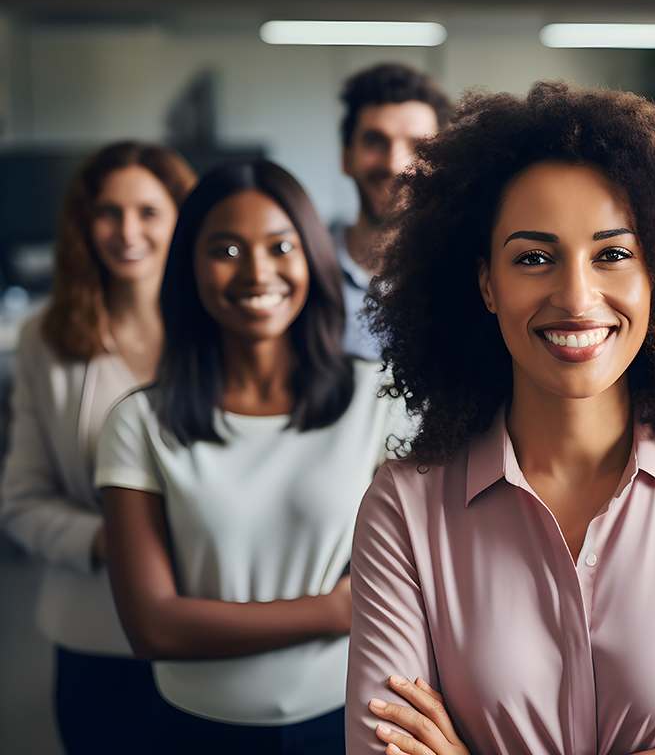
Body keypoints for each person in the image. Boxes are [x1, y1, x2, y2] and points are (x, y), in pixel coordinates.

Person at [346, 81, 655, 755]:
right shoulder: (405, 509)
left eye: (613, 254)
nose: (575, 296)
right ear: (485, 283)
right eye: (533, 258)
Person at [96, 161, 406, 754]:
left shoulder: (379, 401)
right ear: (188, 266)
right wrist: (335, 610)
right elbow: (151, 625)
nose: (257, 270)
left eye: (280, 245)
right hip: (192, 727)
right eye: (227, 248)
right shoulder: (138, 422)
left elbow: (413, 584)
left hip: (348, 720)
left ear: (311, 257)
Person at [0, 142, 194, 753]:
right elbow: (21, 501)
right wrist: (110, 540)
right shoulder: (45, 339)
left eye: (148, 211)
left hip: (216, 631)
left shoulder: (230, 330)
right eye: (108, 212)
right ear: (84, 224)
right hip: (95, 635)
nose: (127, 230)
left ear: (183, 220)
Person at [334, 62, 453, 358]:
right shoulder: (300, 268)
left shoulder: (468, 277)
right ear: (346, 158)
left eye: (419, 146)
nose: (395, 164)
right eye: (375, 141)